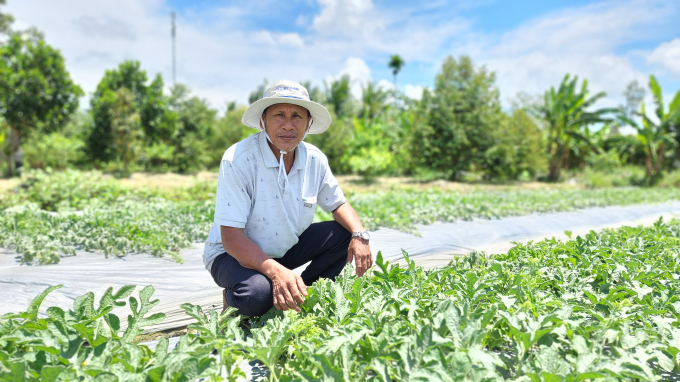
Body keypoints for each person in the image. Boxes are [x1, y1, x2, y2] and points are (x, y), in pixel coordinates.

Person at [203, 80, 373, 317]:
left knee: (344, 235)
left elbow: (337, 203)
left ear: (309, 123)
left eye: (297, 117)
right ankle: (234, 299)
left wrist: (360, 235)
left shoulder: (315, 159)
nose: (288, 125)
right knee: (256, 294)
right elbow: (231, 238)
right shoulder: (239, 159)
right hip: (232, 254)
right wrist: (276, 273)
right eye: (279, 115)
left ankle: (302, 295)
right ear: (263, 120)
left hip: (284, 247)